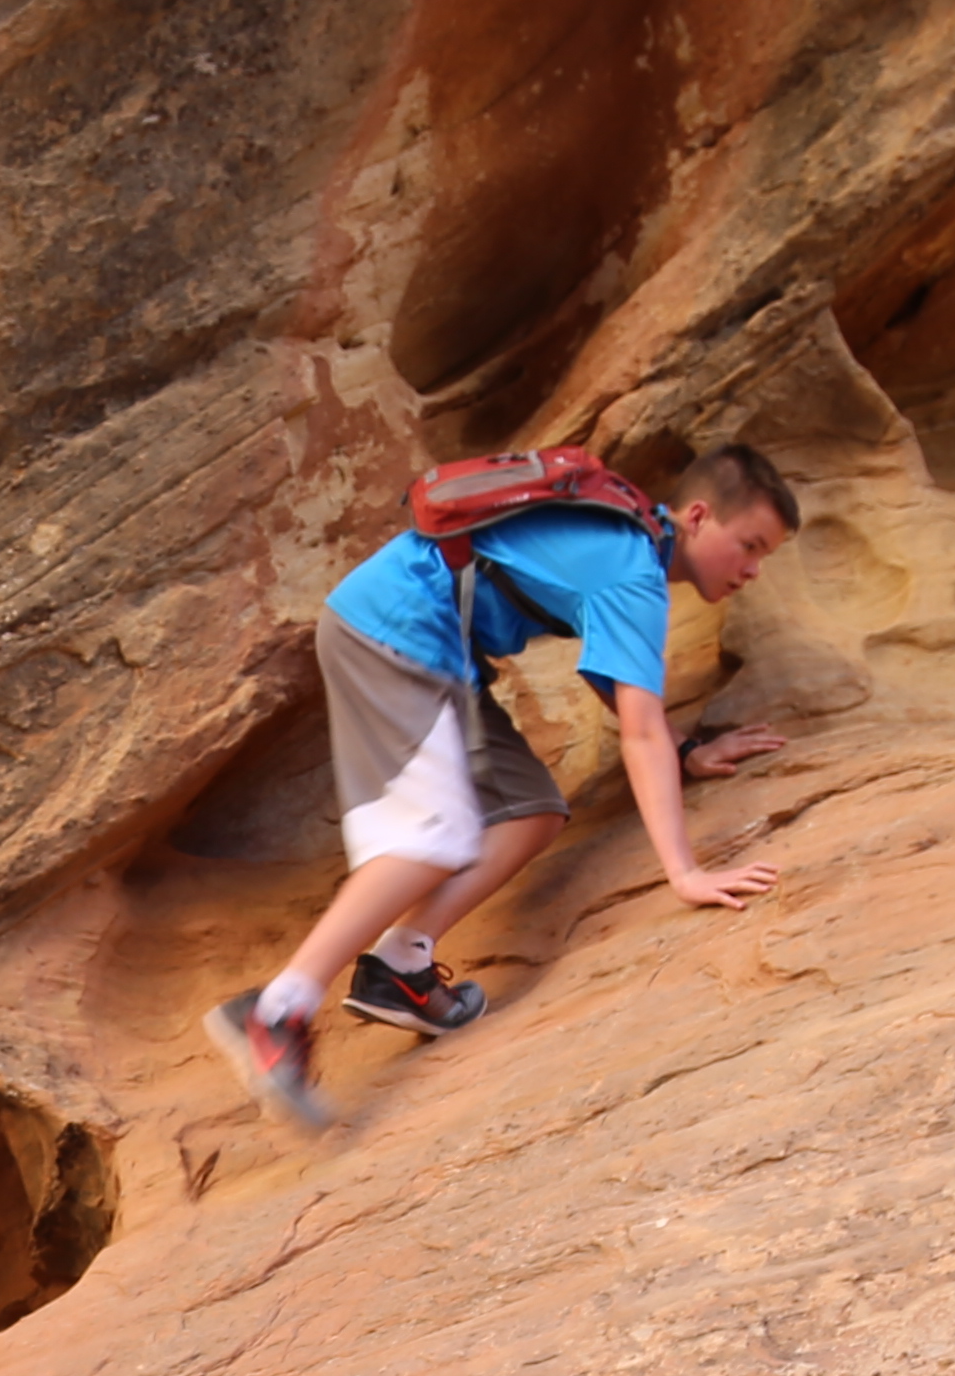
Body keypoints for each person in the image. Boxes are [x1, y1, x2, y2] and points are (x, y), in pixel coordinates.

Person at [206, 444, 804, 1130]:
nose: (754, 570)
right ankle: (277, 1010)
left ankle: (399, 967)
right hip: (396, 630)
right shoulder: (633, 571)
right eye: (750, 546)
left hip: (439, 647)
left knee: (530, 813)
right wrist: (686, 872)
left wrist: (687, 751)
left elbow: (612, 680)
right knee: (432, 837)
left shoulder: (629, 543)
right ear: (698, 518)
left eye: (765, 557)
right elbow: (637, 733)